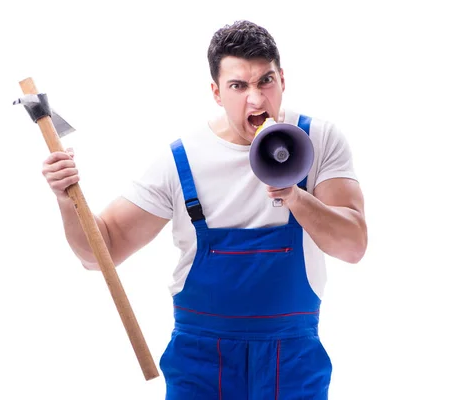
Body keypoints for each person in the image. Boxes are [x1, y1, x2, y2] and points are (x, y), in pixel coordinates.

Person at [42, 20, 367, 400]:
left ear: (283, 80)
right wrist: (67, 198)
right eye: (238, 86)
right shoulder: (182, 159)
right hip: (201, 361)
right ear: (216, 92)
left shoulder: (318, 141)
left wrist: (294, 194)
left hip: (291, 358)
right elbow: (103, 251)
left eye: (266, 81)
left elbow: (353, 246)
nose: (257, 100)